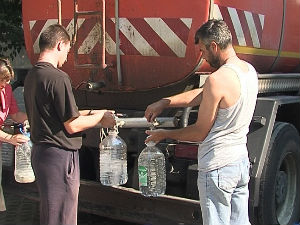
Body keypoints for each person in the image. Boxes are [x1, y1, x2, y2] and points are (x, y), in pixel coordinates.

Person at [144, 19, 258, 225]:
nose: (203, 56)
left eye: (203, 51)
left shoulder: (217, 79)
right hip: (239, 163)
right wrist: (165, 102)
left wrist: (164, 134)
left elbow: (199, 133)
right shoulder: (248, 71)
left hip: (218, 166)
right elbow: (204, 93)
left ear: (214, 46)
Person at [23, 24, 116, 225]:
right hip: (59, 157)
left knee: (52, 214)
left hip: (42, 153)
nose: (67, 56)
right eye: (67, 49)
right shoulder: (58, 77)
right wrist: (101, 119)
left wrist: (93, 113)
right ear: (59, 45)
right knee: (63, 216)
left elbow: (58, 115)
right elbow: (72, 125)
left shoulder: (32, 76)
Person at [0, 58, 28, 211]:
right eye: (2, 81)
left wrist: (36, 117)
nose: (5, 84)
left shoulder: (7, 90)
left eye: (8, 81)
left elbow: (16, 116)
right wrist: (10, 138)